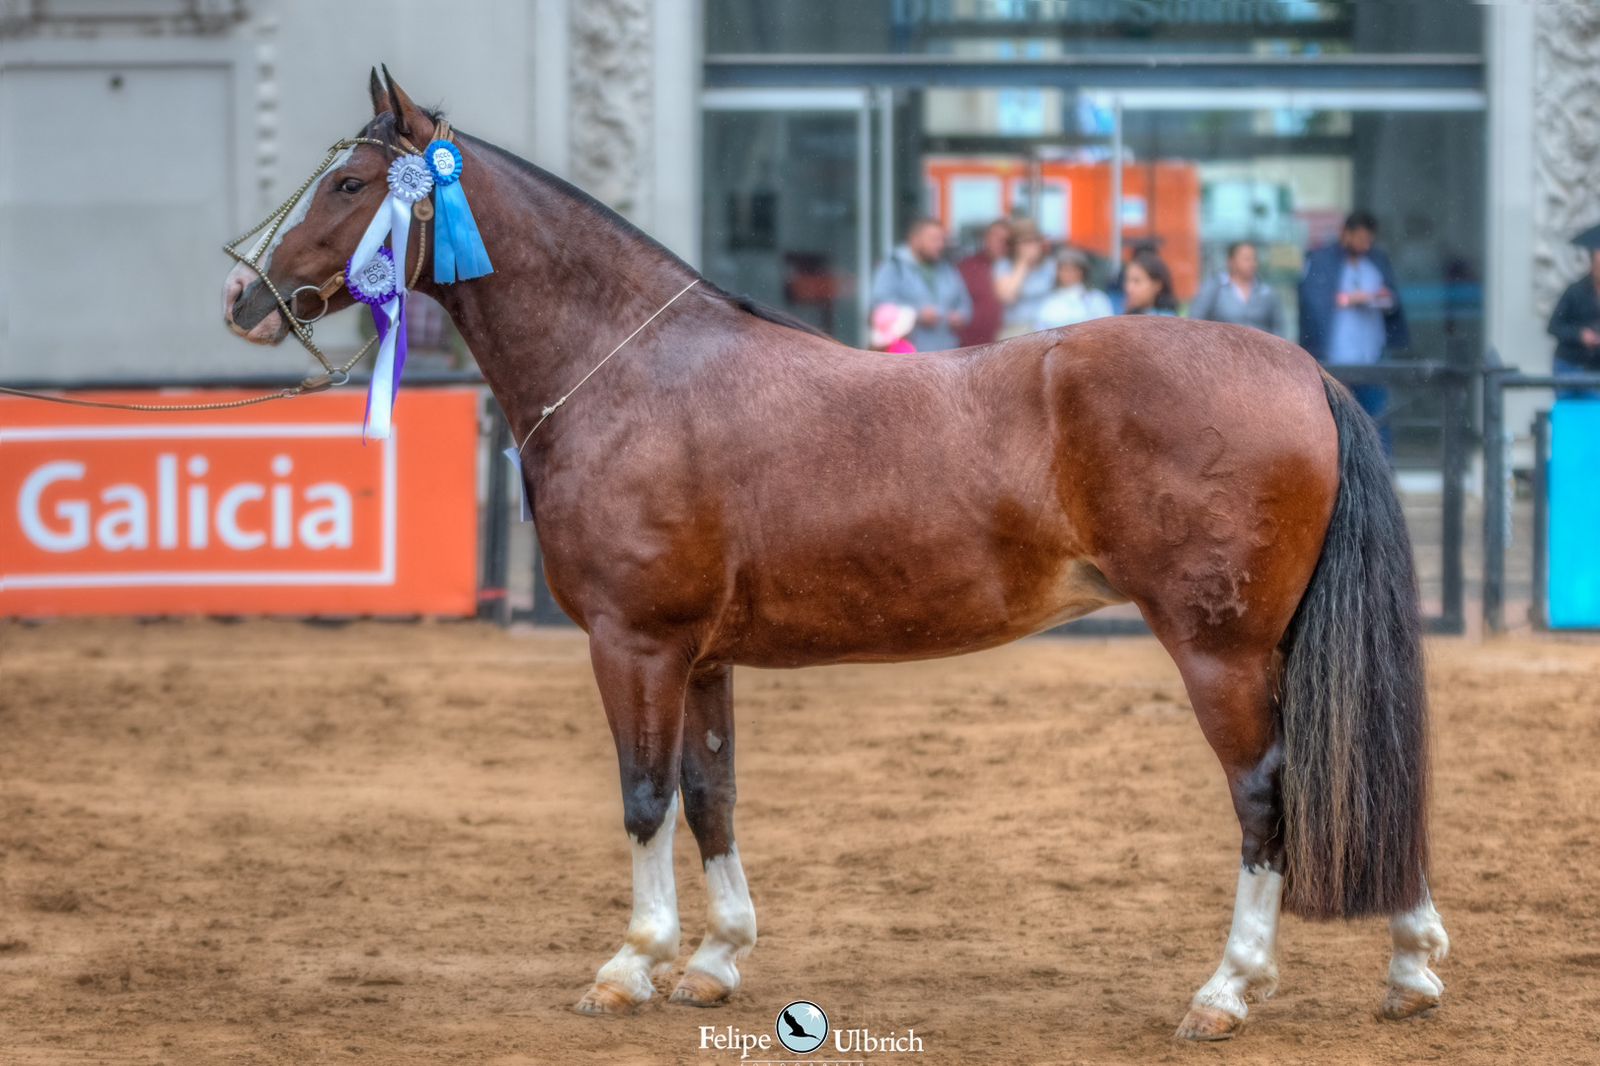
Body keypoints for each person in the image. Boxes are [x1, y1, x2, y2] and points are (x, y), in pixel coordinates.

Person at [1298, 211, 1410, 449]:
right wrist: (1346, 300)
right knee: (1337, 423)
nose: (1363, 245)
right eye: (1359, 239)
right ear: (1345, 234)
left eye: (1368, 240)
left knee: (1377, 419)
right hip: (1335, 358)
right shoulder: (1322, 260)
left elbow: (1392, 299)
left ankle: (1382, 473)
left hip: (1371, 355)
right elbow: (1313, 301)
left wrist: (1379, 298)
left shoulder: (1377, 260)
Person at [869, 218, 972, 352]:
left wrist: (960, 316)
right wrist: (917, 314)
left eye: (942, 239)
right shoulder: (894, 266)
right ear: (915, 239)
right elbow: (880, 304)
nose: (940, 245)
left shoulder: (947, 268)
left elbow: (965, 304)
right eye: (934, 239)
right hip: (906, 356)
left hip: (946, 355)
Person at [1547, 223, 1600, 399]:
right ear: (1592, 263)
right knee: (1569, 414)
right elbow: (1554, 326)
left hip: (1596, 368)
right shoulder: (1575, 291)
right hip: (1570, 364)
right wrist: (1580, 335)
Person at [1188, 241, 1284, 337]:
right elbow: (1195, 321)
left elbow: (1278, 328)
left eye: (1254, 259)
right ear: (1231, 261)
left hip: (1260, 349)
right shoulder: (1215, 288)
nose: (1252, 263)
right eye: (1246, 259)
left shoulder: (1266, 293)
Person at [993, 220, 1058, 338]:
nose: (1032, 246)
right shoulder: (1004, 265)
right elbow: (1007, 297)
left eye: (1035, 241)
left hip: (1048, 328)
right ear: (1014, 246)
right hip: (1017, 329)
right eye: (1026, 242)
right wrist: (1023, 264)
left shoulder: (1050, 265)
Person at [956, 219, 1010, 347]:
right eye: (995, 237)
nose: (1000, 243)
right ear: (985, 238)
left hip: (1006, 342)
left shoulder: (1013, 269)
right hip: (972, 345)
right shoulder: (968, 266)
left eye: (1005, 240)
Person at [1034, 249, 1112, 330]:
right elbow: (1041, 328)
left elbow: (1106, 328)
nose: (1068, 274)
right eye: (1064, 269)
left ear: (1082, 271)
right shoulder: (1049, 300)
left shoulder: (1096, 298)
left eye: (1073, 269)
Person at [1122, 250, 1179, 316]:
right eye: (1127, 280)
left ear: (1157, 285)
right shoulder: (1127, 316)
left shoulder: (1167, 321)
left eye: (1137, 281)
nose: (1128, 288)